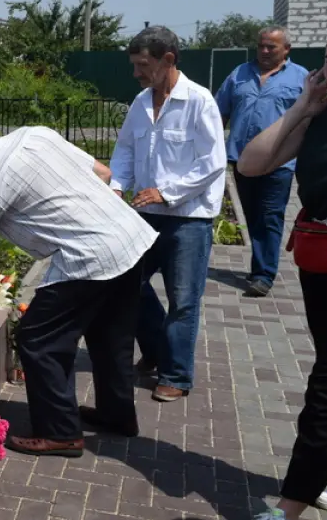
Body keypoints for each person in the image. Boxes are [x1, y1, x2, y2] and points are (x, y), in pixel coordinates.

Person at [0, 123, 158, 457]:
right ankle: (117, 415)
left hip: (90, 256)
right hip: (129, 238)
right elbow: (104, 173)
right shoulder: (33, 134)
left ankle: (60, 433)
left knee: (39, 339)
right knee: (111, 336)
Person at [240, 18, 327, 520]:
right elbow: (251, 165)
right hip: (322, 260)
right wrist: (301, 108)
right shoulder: (321, 119)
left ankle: (289, 506)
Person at [108, 26, 226, 403]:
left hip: (188, 217)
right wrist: (115, 188)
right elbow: (125, 150)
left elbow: (213, 162)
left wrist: (167, 192)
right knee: (129, 285)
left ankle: (176, 375)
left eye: (143, 65)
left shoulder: (199, 101)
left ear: (168, 60)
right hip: (146, 215)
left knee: (183, 299)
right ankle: (158, 350)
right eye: (135, 65)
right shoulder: (141, 102)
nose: (137, 73)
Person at [215, 26, 309, 297]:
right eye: (261, 46)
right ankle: (260, 265)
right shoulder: (239, 74)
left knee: (269, 216)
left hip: (279, 161)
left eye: (272, 47)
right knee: (252, 215)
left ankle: (263, 274)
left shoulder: (300, 77)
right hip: (242, 159)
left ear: (286, 49)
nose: (265, 51)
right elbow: (219, 111)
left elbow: (308, 119)